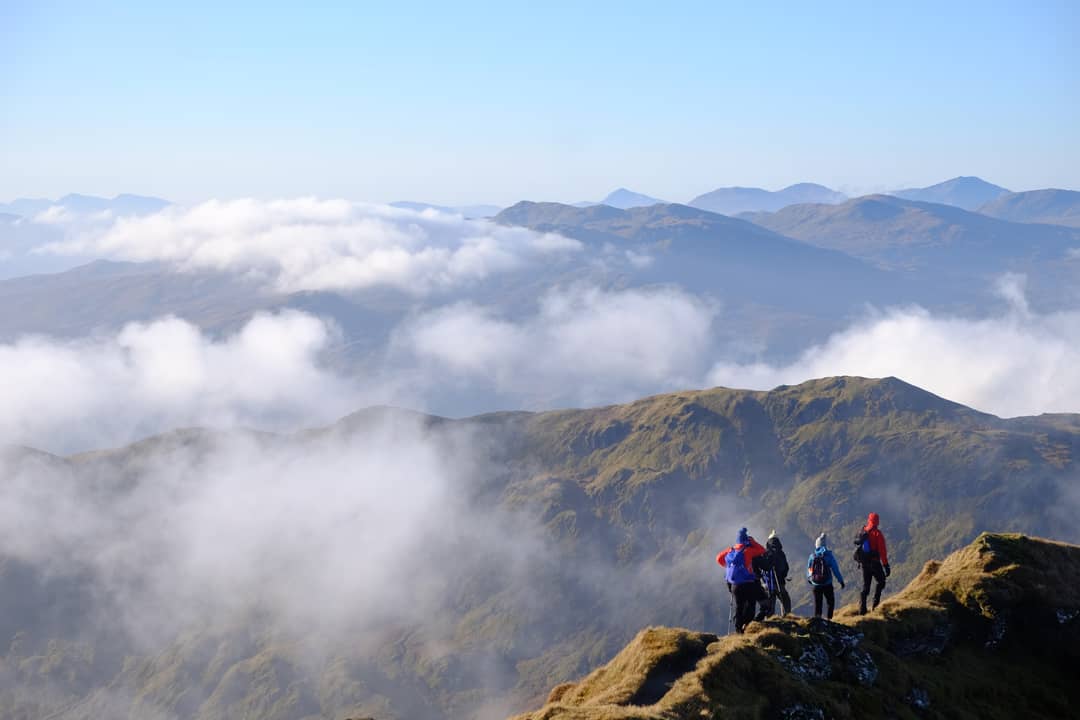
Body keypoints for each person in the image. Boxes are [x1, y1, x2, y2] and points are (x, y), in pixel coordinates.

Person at [717, 527, 765, 633]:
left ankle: (738, 630)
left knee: (739, 607)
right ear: (745, 539)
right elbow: (762, 550)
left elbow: (718, 558)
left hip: (734, 584)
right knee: (751, 605)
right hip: (748, 583)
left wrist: (728, 566)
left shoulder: (731, 550)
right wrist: (753, 541)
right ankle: (747, 626)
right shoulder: (748, 551)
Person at [855, 511, 890, 614]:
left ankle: (862, 609)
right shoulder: (877, 534)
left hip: (864, 564)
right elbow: (882, 551)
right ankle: (875, 606)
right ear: (877, 522)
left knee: (866, 587)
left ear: (869, 520)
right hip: (874, 563)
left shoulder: (863, 531)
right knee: (881, 581)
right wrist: (886, 565)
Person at [806, 532, 845, 619]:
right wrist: (841, 581)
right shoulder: (829, 556)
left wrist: (810, 578)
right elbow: (835, 570)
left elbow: (809, 569)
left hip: (816, 584)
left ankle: (818, 621)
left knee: (818, 604)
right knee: (830, 602)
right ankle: (829, 619)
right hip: (827, 583)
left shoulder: (812, 556)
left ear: (816, 545)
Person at [754, 529, 792, 618]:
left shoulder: (765, 553)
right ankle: (786, 618)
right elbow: (786, 567)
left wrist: (760, 576)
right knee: (785, 600)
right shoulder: (781, 553)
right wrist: (783, 576)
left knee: (770, 604)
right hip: (779, 583)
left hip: (767, 583)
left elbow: (760, 565)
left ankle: (770, 622)